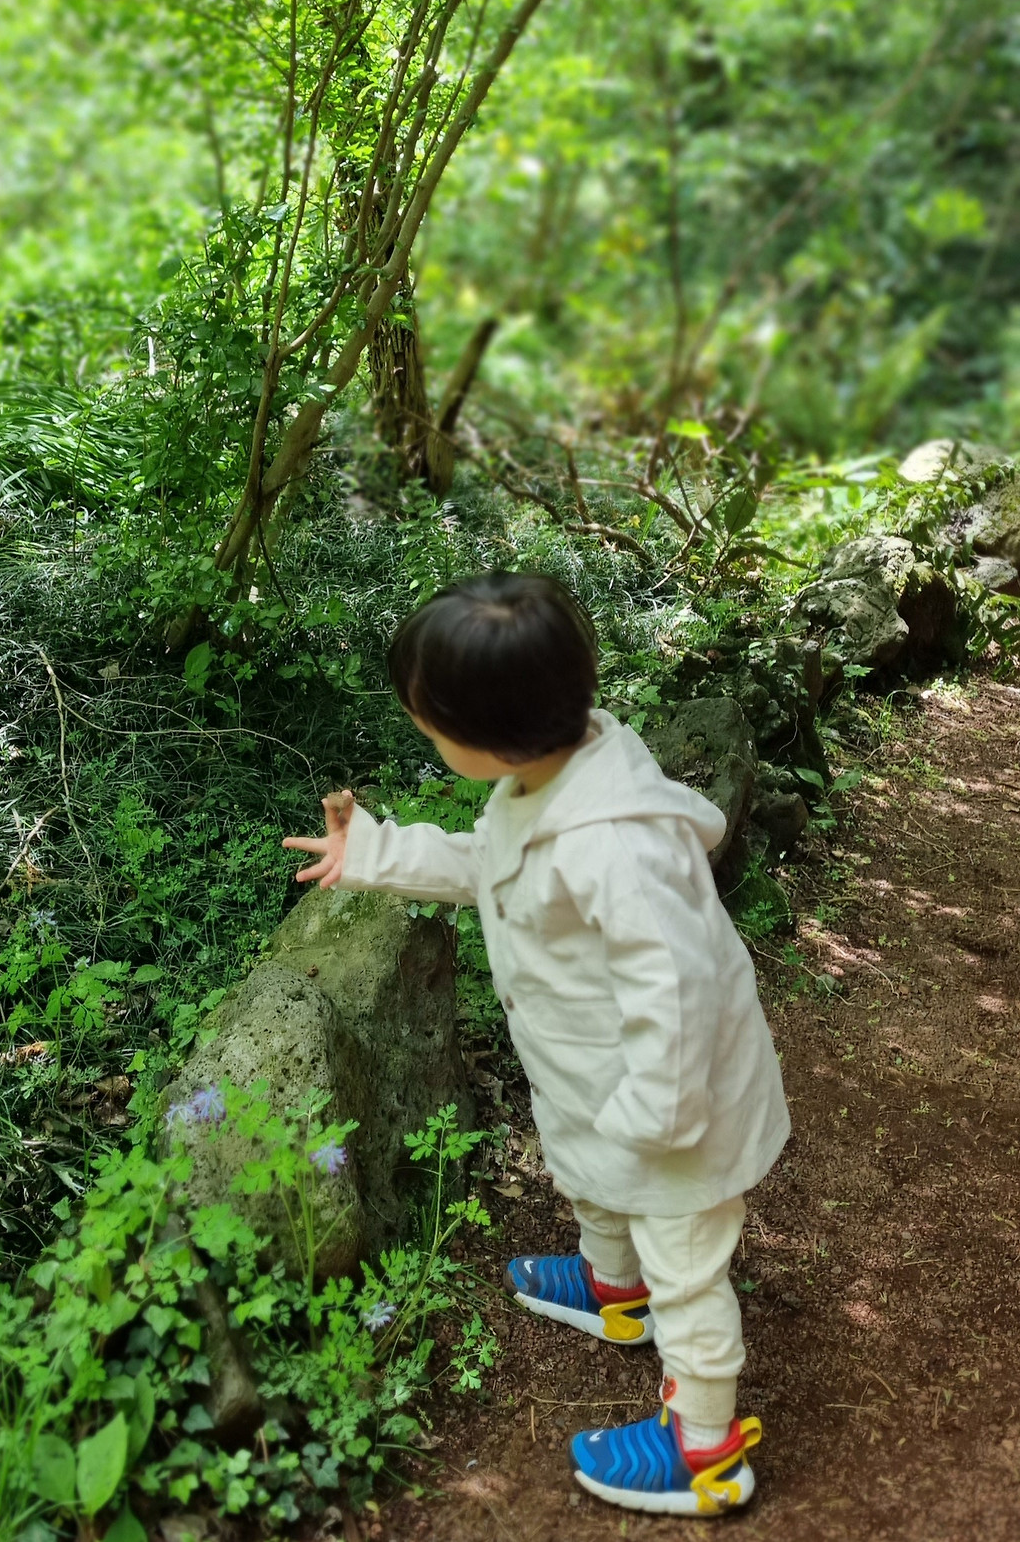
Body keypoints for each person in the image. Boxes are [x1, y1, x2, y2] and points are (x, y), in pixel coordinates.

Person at [283, 570, 789, 1519]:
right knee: (597, 1178)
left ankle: (705, 1446)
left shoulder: (618, 846)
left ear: (489, 733)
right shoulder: (547, 775)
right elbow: (493, 863)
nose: (422, 730)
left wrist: (659, 1116)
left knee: (686, 1266)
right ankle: (612, 1287)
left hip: (676, 1102)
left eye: (428, 720)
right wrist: (375, 854)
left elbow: (678, 989)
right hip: (601, 1073)